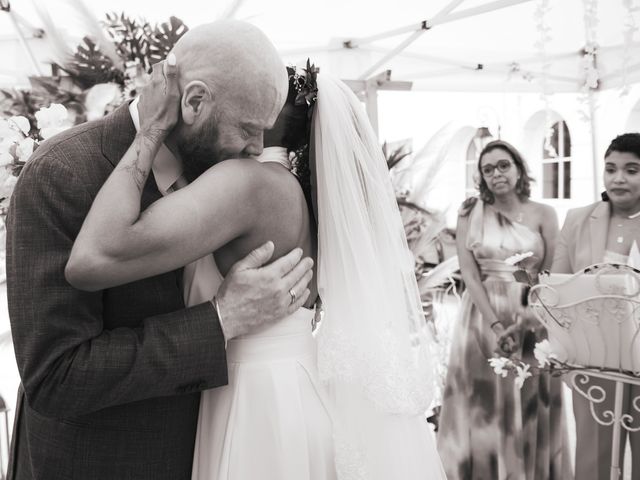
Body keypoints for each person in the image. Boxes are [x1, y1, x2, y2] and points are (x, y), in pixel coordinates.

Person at [64, 56, 447, 478]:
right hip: (293, 377)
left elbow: (98, 256)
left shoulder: (247, 183)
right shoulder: (291, 187)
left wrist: (152, 128)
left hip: (256, 395)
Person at [6, 20, 314, 480]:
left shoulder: (231, 177)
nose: (256, 150)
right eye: (248, 129)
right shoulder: (62, 172)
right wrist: (221, 320)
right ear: (193, 101)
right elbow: (55, 377)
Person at [437, 140, 571, 479]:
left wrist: (529, 318)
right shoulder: (470, 212)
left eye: (503, 165)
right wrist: (496, 325)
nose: (496, 173)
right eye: (487, 169)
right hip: (482, 316)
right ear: (481, 177)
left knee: (530, 396)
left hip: (534, 315)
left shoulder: (544, 213)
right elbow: (469, 273)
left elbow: (552, 272)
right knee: (485, 401)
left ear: (518, 168)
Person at [552, 132, 640, 480]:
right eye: (611, 169)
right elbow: (555, 289)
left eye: (632, 170)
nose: (619, 178)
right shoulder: (577, 219)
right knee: (593, 456)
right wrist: (561, 350)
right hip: (593, 357)